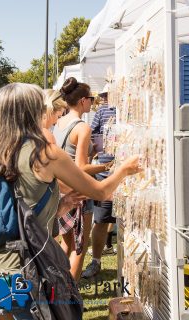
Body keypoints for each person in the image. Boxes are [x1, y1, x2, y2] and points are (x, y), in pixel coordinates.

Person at [0, 82, 141, 319]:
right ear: (32, 110)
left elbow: (12, 210)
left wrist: (59, 207)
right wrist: (123, 169)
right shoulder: (43, 153)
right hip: (25, 270)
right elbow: (100, 192)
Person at [53, 77, 113, 281]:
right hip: (77, 192)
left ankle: (57, 284)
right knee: (80, 246)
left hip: (59, 190)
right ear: (82, 101)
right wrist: (109, 166)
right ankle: (70, 295)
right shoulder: (82, 127)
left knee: (67, 242)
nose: (93, 102)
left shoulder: (59, 122)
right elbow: (81, 168)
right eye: (91, 98)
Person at [82, 89, 118, 279]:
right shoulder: (103, 112)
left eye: (105, 96)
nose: (104, 99)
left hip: (128, 172)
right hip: (105, 172)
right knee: (102, 219)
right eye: (103, 96)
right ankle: (96, 261)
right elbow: (93, 136)